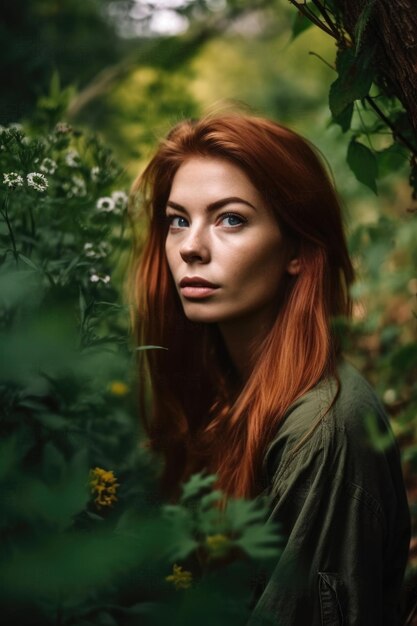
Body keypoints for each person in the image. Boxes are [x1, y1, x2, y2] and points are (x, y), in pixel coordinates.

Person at [130, 114, 410, 625]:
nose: (191, 247)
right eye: (178, 219)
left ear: (299, 249)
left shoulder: (322, 430)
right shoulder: (224, 391)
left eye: (230, 219)